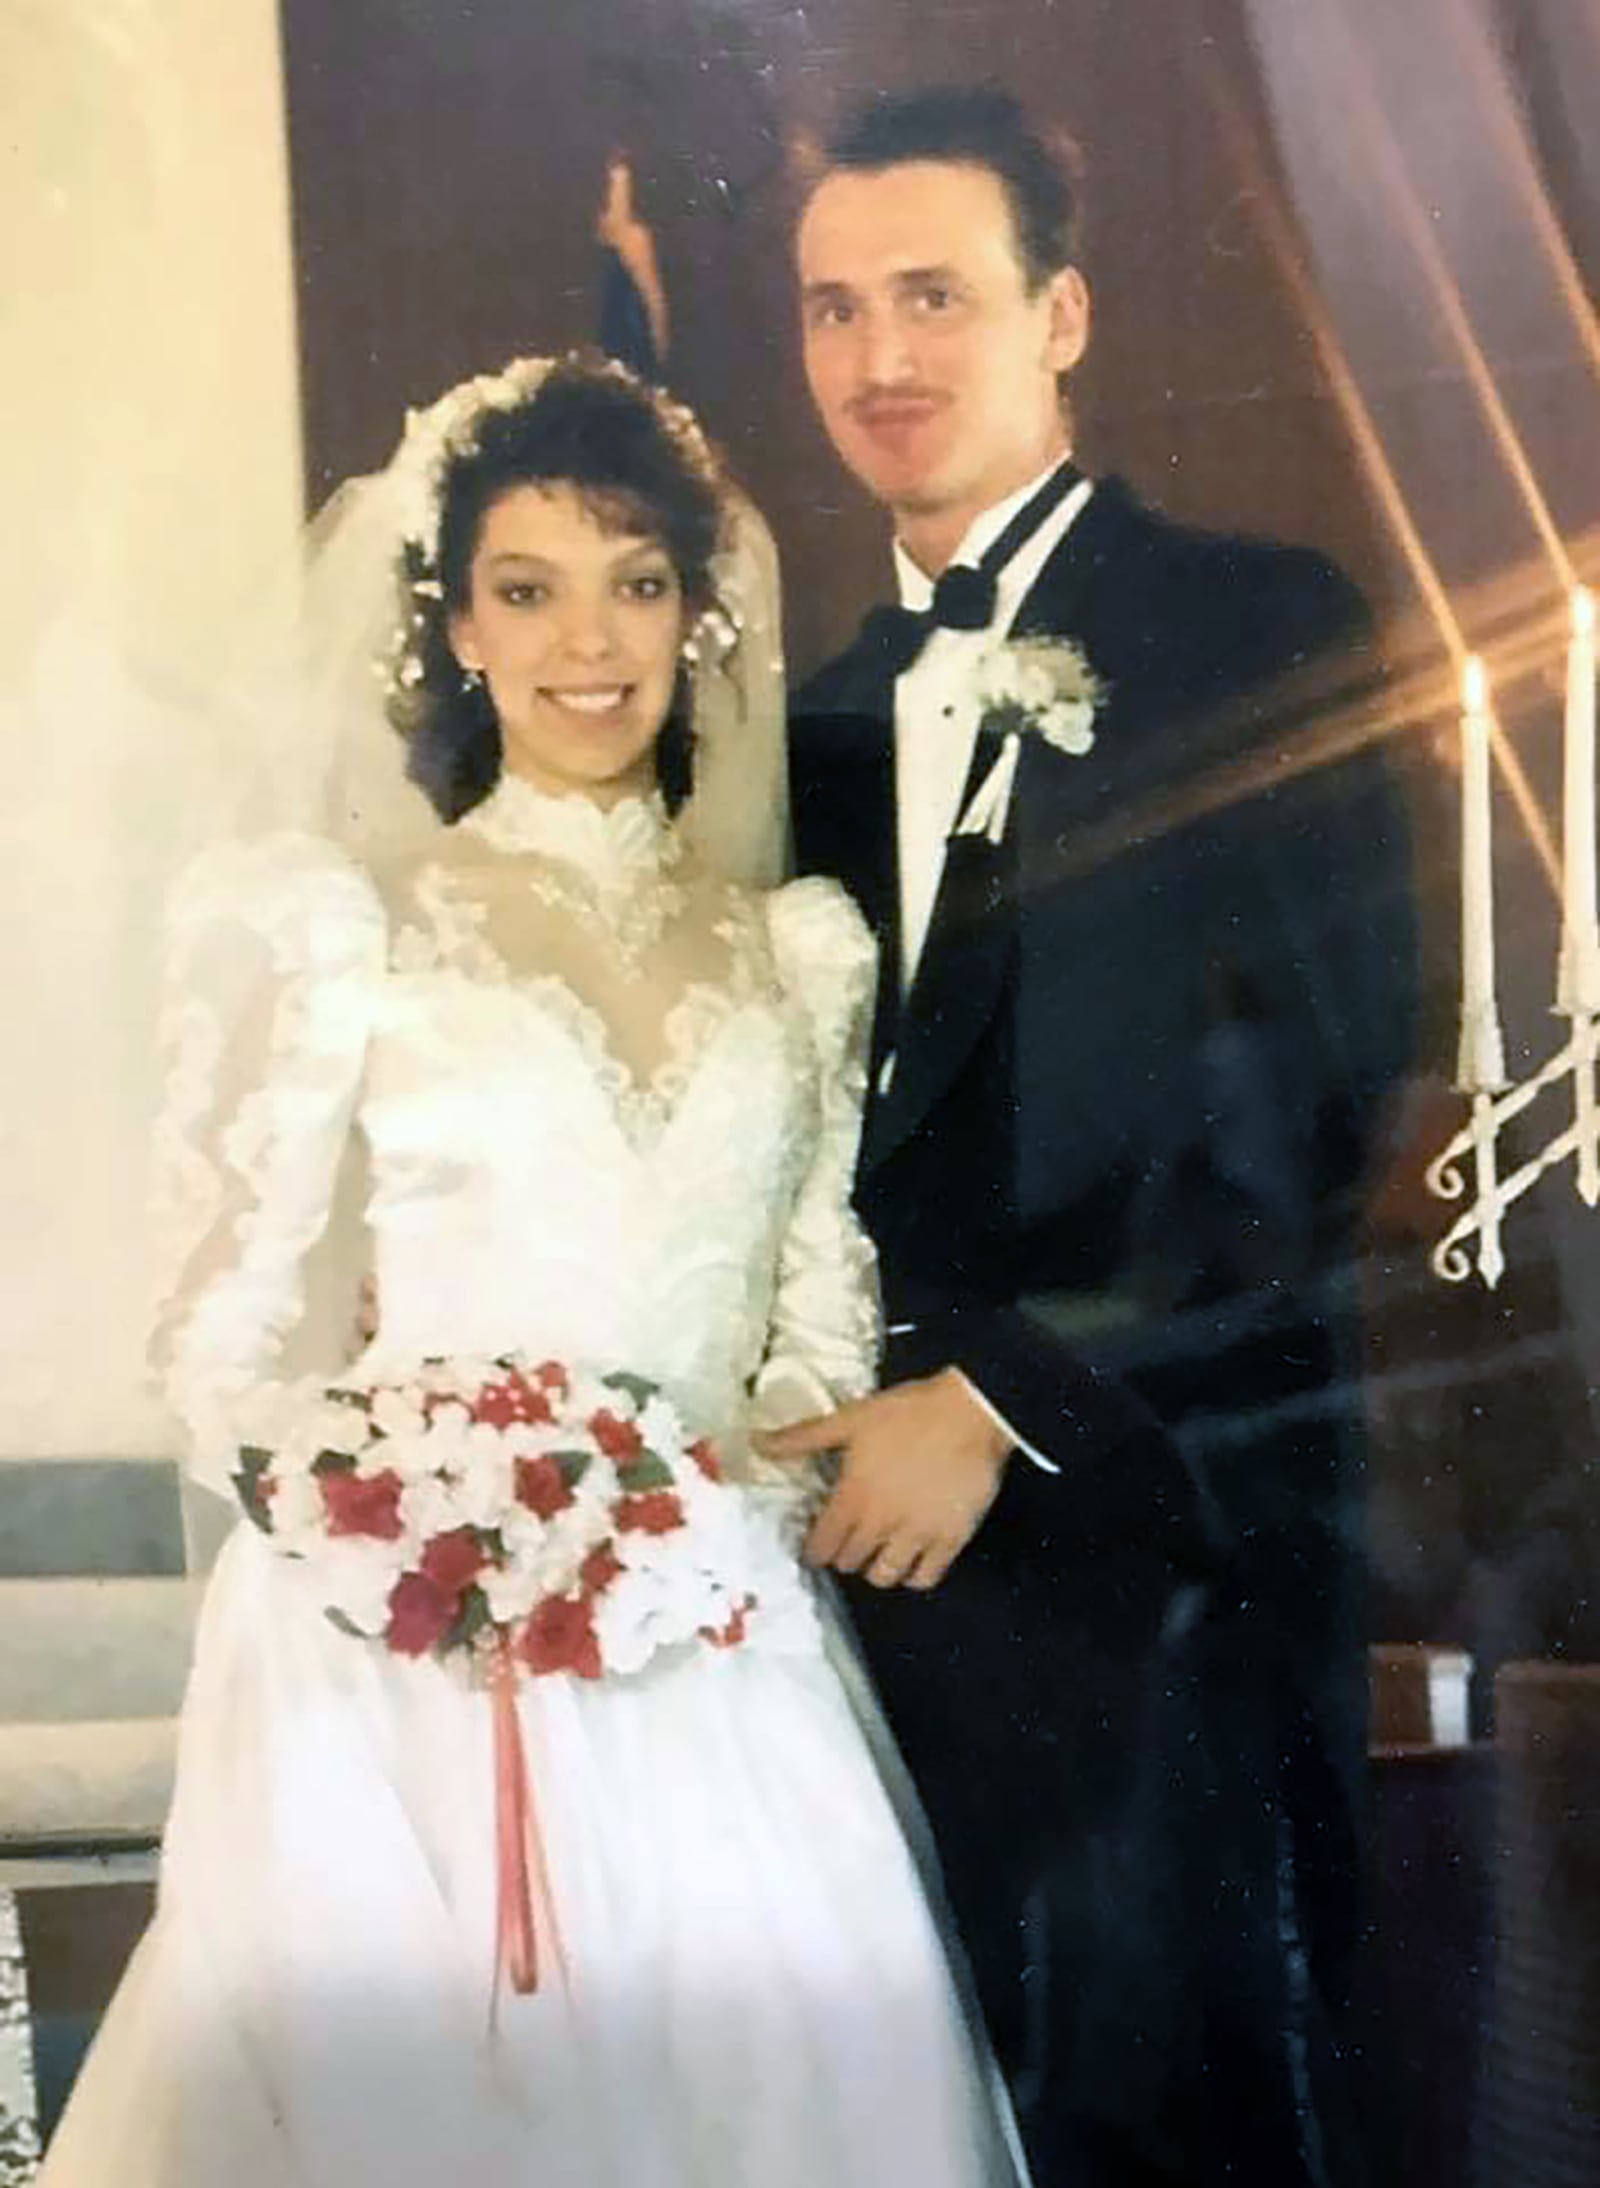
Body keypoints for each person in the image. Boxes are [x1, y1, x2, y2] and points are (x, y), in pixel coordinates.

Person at [39, 355, 1023, 2188]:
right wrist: (413, 1508)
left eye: (638, 580)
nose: (592, 640)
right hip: (403, 1661)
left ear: (697, 611)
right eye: (529, 586)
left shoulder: (799, 950)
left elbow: (811, 1319)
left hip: (716, 1645)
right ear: (456, 628)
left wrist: (704, 1501)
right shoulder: (347, 927)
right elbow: (221, 1340)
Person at [778, 86, 1416, 2187]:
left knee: (1173, 2119)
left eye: (934, 297)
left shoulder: (1259, 619)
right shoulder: (811, 714)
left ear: (1058, 315)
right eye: (834, 307)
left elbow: (1313, 1095)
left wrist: (1001, 1393)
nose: (880, 357)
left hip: (1161, 1541)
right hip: (862, 1563)